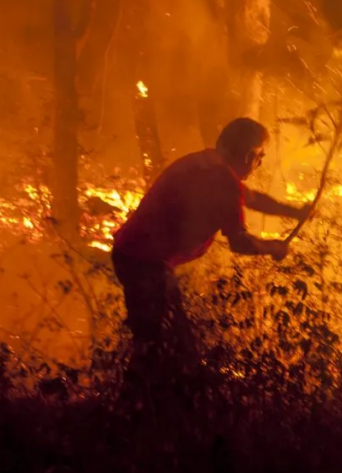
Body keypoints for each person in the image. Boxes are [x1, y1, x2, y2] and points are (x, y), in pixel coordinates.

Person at [111, 117, 311, 394]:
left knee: (167, 336)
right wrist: (273, 248)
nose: (260, 164)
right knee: (161, 341)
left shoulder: (205, 163)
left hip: (136, 255)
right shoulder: (221, 182)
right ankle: (139, 401)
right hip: (145, 262)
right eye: (260, 157)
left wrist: (294, 212)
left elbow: (250, 198)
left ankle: (151, 398)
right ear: (248, 155)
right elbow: (239, 242)